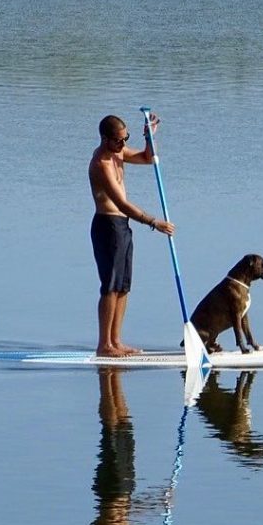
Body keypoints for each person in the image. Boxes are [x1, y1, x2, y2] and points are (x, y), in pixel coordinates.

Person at [88, 113, 175, 357]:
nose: (123, 144)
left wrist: (149, 138)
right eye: (118, 140)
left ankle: (116, 341)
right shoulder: (100, 164)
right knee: (110, 286)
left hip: (122, 226)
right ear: (105, 139)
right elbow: (122, 204)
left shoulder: (118, 152)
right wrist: (153, 222)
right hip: (107, 226)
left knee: (124, 286)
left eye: (126, 139)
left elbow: (148, 158)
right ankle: (104, 345)